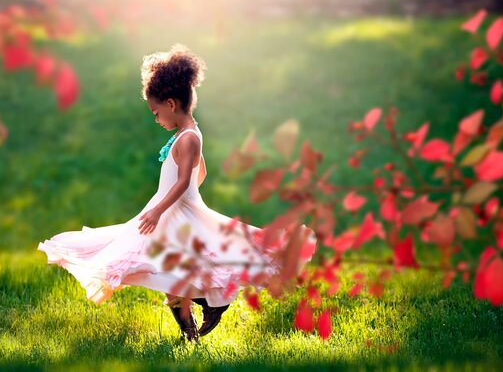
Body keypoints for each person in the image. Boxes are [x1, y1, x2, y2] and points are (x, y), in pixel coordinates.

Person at [37, 43, 316, 343]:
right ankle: (190, 331)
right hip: (172, 210)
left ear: (171, 104)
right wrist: (185, 201)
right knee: (167, 271)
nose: (156, 119)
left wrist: (164, 208)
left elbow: (184, 181)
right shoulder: (188, 135)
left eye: (156, 112)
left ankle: (211, 304)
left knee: (165, 267)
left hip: (168, 212)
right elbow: (201, 172)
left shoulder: (187, 139)